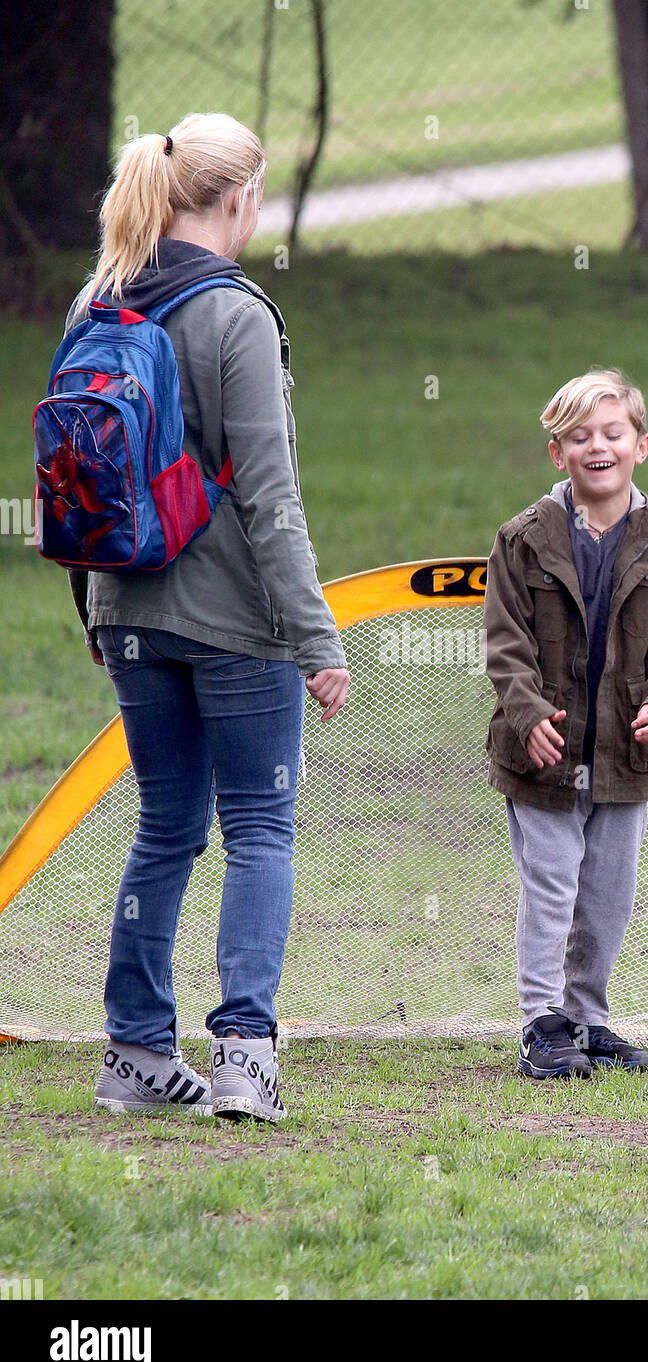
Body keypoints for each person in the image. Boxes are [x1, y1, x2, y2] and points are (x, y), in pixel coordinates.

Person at [62, 112, 350, 1123]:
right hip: (235, 619)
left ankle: (136, 1055)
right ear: (236, 199)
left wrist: (98, 614)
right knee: (260, 826)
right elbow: (270, 498)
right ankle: (242, 1055)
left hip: (127, 605)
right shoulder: (236, 314)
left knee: (165, 827)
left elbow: (72, 475)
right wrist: (317, 639)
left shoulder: (96, 300)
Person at [482, 367, 648, 1079]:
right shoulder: (522, 539)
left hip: (623, 758)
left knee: (608, 891)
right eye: (579, 436)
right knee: (552, 884)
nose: (597, 446)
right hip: (541, 755)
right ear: (557, 453)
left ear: (642, 445)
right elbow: (504, 644)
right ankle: (541, 1024)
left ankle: (587, 1017)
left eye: (613, 433)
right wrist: (524, 714)